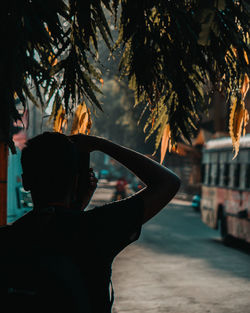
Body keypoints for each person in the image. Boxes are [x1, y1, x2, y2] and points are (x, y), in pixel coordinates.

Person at [0, 131, 180, 313]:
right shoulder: (96, 228)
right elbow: (168, 182)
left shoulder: (7, 240)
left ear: (26, 181)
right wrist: (100, 144)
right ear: (77, 180)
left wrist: (75, 209)